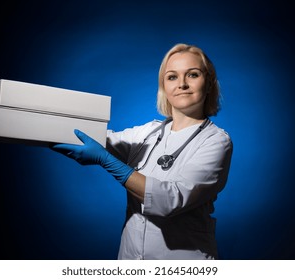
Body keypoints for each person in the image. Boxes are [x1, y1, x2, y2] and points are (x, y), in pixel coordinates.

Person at [51, 43, 233, 260]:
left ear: (209, 82)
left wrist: (106, 160)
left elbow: (169, 200)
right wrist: (46, 125)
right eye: (172, 77)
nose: (182, 84)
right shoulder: (148, 132)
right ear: (164, 86)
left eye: (192, 75)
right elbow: (97, 137)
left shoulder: (216, 141)